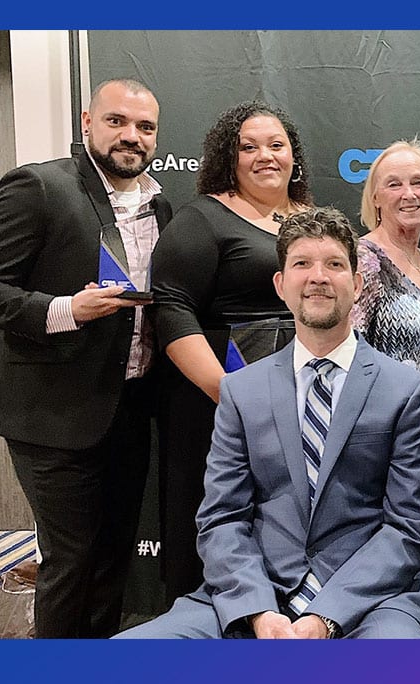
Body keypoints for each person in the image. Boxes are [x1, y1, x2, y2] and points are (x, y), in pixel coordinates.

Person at [116, 208, 420, 639]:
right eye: (302, 264)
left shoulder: (406, 390)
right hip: (254, 593)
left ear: (358, 284)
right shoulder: (241, 391)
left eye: (335, 265)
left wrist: (326, 616)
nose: (318, 277)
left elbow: (407, 529)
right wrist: (258, 611)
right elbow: (222, 520)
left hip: (371, 600)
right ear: (280, 285)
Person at [0, 79, 171, 638]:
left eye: (145, 127)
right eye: (117, 121)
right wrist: (66, 309)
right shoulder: (39, 186)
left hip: (130, 408)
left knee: (114, 556)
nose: (132, 136)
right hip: (50, 413)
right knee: (70, 561)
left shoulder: (161, 204)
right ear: (87, 123)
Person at [150, 101, 312, 603]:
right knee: (219, 526)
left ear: (294, 157)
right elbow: (172, 308)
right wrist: (227, 391)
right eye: (249, 147)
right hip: (219, 407)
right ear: (229, 158)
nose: (265, 156)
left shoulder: (311, 218)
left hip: (302, 405)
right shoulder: (204, 218)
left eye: (276, 145)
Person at [352, 139, 420, 427]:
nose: (409, 194)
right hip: (387, 426)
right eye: (394, 185)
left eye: (418, 182)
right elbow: (349, 353)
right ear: (375, 198)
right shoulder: (365, 259)